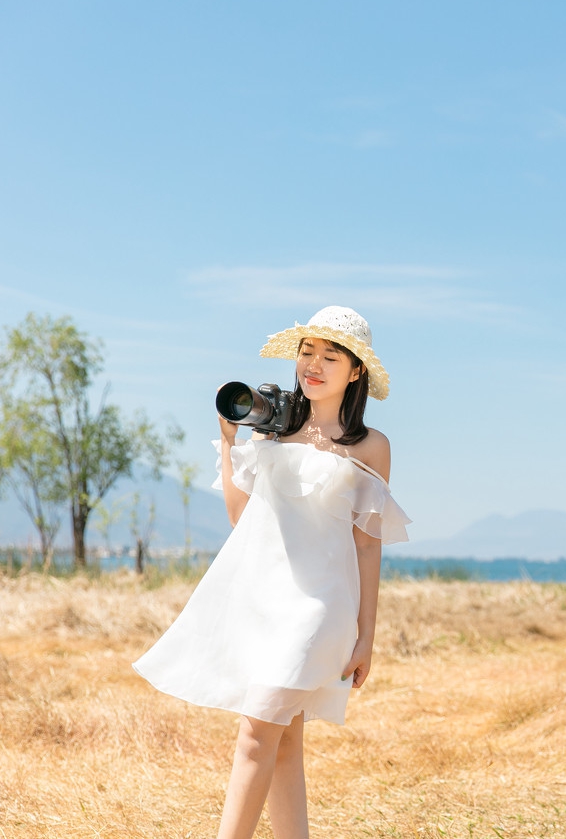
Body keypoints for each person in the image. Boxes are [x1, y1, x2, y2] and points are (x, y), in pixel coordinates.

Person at [133, 306, 410, 839]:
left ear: (356, 372)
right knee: (282, 746)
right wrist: (231, 444)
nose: (314, 364)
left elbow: (367, 547)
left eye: (331, 356)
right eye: (307, 352)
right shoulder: (274, 429)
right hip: (266, 602)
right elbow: (242, 516)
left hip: (321, 609)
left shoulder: (372, 447)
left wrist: (366, 635)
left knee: (255, 735)